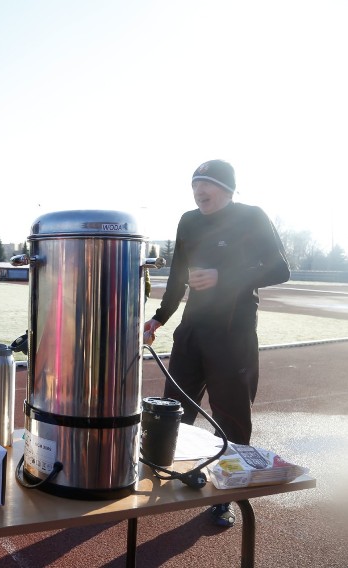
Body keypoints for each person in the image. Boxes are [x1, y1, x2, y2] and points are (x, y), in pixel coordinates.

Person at [142, 159, 290, 528]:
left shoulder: (251, 217)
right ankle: (164, 475)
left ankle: (228, 495)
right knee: (173, 408)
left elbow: (279, 268)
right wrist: (160, 317)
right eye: (194, 184)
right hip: (192, 329)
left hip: (232, 333)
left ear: (227, 188)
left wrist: (225, 276)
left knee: (231, 416)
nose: (198, 190)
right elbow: (178, 274)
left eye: (205, 183)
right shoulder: (188, 221)